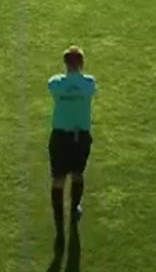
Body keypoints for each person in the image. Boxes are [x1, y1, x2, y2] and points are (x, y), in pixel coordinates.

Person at [48, 46, 97, 244]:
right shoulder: (89, 83)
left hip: (60, 136)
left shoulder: (55, 83)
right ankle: (75, 208)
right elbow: (89, 89)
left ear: (65, 63)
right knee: (77, 174)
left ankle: (59, 221)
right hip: (80, 136)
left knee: (58, 178)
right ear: (82, 63)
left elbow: (55, 86)